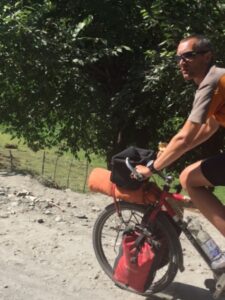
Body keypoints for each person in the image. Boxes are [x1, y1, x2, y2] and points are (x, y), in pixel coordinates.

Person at [136, 34, 225, 269]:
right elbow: (208, 128)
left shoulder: (213, 82)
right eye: (178, 57)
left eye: (188, 55)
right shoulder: (221, 81)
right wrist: (177, 151)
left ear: (207, 56)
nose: (181, 62)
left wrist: (152, 168)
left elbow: (185, 136)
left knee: (189, 179)